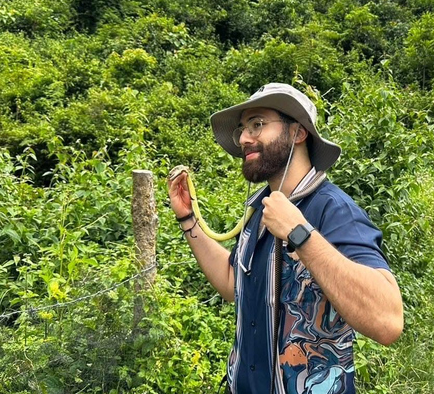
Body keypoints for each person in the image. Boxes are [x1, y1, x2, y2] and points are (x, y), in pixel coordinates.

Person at [168, 83, 403, 394]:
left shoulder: (334, 210)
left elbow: (388, 321)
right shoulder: (260, 210)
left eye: (258, 124)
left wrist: (300, 234)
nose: (243, 138)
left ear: (297, 132)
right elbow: (232, 282)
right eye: (242, 128)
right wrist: (188, 219)